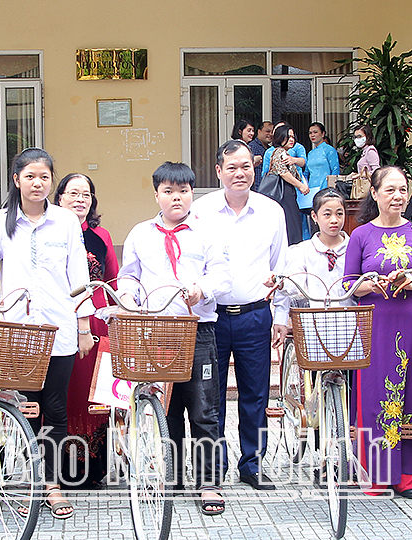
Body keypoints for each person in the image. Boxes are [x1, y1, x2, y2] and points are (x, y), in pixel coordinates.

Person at [0, 148, 94, 519]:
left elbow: (78, 274)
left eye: (44, 177)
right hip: (17, 330)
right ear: (16, 180)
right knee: (26, 410)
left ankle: (53, 485)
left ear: (51, 181)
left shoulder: (65, 221)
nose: (37, 183)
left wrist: (83, 325)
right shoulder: (0, 222)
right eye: (30, 176)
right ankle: (31, 480)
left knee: (56, 409)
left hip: (59, 326)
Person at [118, 161, 231, 515]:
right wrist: (130, 299)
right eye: (168, 191)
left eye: (182, 191)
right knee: (166, 408)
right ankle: (172, 474)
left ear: (191, 194)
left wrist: (202, 290)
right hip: (155, 331)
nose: (176, 197)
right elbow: (128, 277)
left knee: (203, 409)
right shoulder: (139, 233)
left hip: (198, 331)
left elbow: (223, 276)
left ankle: (209, 482)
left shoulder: (207, 232)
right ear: (157, 195)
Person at [343, 166, 412, 498]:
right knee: (375, 396)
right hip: (376, 320)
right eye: (390, 190)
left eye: (402, 190)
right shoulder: (360, 235)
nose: (398, 196)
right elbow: (347, 283)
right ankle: (376, 471)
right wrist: (369, 284)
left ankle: (406, 471)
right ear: (374, 193)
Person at [193, 139, 288, 491]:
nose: (239, 174)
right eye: (231, 167)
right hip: (210, 318)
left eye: (246, 166)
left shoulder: (271, 211)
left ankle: (252, 464)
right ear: (218, 171)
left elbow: (280, 266)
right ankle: (213, 469)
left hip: (255, 315)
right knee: (210, 396)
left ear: (255, 169)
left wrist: (281, 314)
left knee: (255, 395)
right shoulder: (199, 211)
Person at [54, 172, 119, 488]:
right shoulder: (50, 233)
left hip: (95, 323)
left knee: (93, 395)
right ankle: (59, 468)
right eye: (73, 193)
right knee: (61, 394)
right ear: (60, 197)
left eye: (86, 195)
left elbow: (113, 280)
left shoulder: (101, 236)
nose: (80, 200)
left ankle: (93, 469)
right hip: (59, 319)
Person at [281, 188, 352, 307]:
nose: (334, 220)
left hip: (350, 320)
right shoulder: (302, 250)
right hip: (316, 320)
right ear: (314, 216)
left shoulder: (354, 248)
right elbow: (293, 283)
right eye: (327, 215)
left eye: (339, 214)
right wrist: (280, 283)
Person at [266, 124, 310, 246]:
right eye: (288, 136)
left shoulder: (286, 153)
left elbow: (301, 163)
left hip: (288, 193)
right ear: (280, 137)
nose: (292, 139)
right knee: (291, 227)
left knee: (293, 226)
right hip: (283, 194)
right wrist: (300, 186)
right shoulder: (279, 151)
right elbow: (283, 173)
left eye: (292, 137)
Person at [300, 122, 341, 240]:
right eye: (310, 133)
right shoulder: (310, 153)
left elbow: (335, 170)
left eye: (315, 132)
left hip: (326, 189)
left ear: (323, 134)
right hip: (311, 191)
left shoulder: (330, 150)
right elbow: (306, 172)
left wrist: (332, 191)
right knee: (314, 219)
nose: (312, 135)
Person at [250, 121, 273, 189]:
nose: (270, 134)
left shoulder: (271, 149)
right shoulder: (252, 147)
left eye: (272, 132)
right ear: (259, 131)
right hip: (257, 189)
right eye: (267, 131)